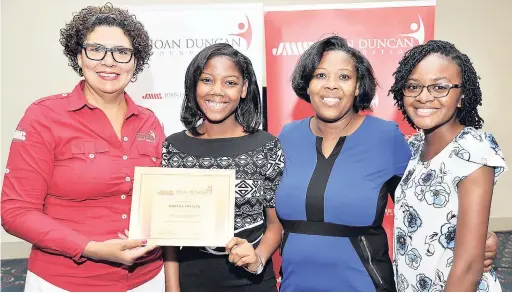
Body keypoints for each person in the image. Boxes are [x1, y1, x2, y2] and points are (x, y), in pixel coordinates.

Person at [274, 36, 500, 292]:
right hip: (297, 285)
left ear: (359, 86)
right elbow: (422, 197)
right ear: (308, 83)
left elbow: (438, 200)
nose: (331, 86)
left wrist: (480, 237)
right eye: (321, 75)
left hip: (367, 284)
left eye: (345, 77)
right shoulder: (287, 137)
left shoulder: (388, 138)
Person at [1, 3, 165, 292]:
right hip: (66, 282)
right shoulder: (44, 117)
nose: (109, 61)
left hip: (147, 279)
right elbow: (16, 212)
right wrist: (90, 248)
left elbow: (162, 201)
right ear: (79, 55)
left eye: (122, 52)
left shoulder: (150, 123)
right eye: (96, 49)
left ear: (135, 61)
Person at [161, 43, 284, 292]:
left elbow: (275, 225)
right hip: (192, 279)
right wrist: (172, 287)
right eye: (207, 80)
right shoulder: (174, 147)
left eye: (230, 82)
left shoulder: (267, 146)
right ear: (194, 85)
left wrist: (257, 259)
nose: (217, 91)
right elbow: (169, 234)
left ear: (244, 89)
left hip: (253, 283)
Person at [390, 40, 506, 292]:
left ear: (462, 96)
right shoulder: (412, 148)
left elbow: (468, 266)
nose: (424, 96)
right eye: (413, 86)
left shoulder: (473, 150)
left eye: (439, 87)